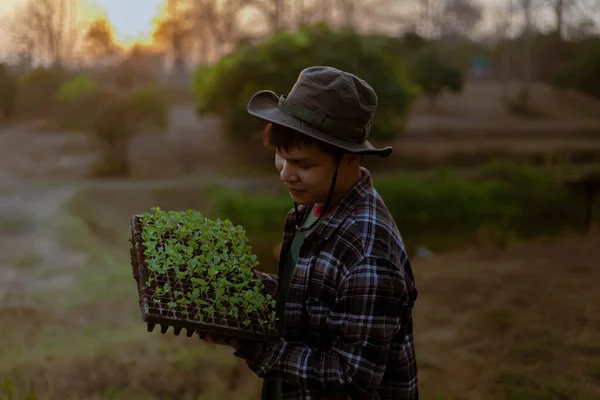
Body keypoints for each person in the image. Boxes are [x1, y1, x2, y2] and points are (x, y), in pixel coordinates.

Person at [203, 66, 418, 400]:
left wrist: (248, 343)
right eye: (281, 157)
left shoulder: (368, 256)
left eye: (303, 165)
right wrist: (244, 286)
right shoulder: (315, 207)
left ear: (349, 159)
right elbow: (306, 296)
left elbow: (351, 379)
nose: (286, 175)